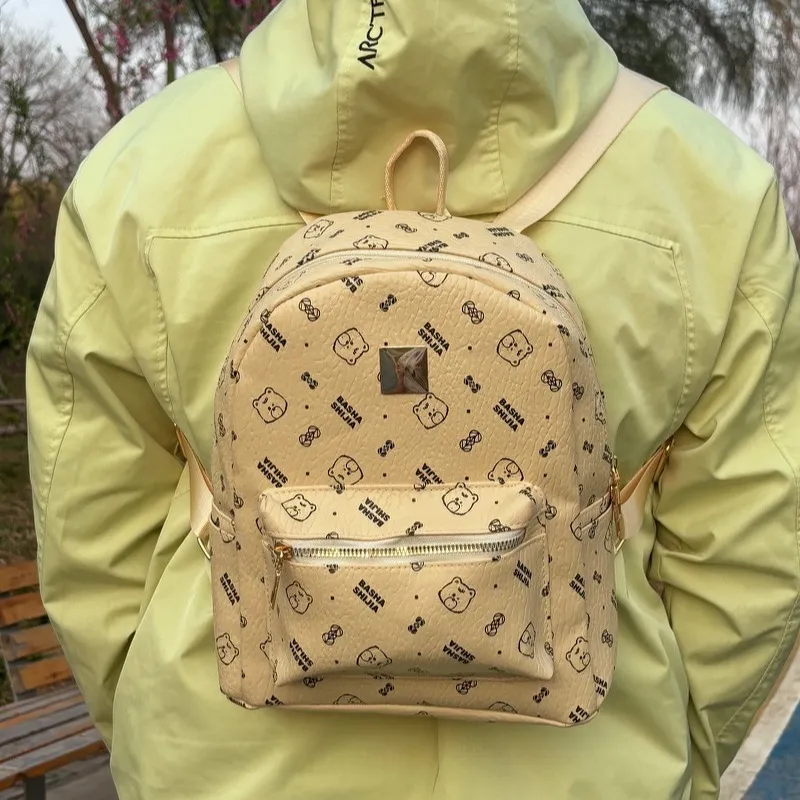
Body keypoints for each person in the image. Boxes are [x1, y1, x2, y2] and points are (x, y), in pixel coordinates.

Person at [26, 0, 799, 797]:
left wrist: (151, 728)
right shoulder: (711, 189)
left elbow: (90, 533)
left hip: (222, 767)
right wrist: (679, 750)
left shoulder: (141, 174)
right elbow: (752, 558)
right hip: (595, 769)